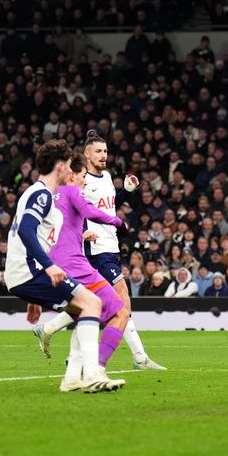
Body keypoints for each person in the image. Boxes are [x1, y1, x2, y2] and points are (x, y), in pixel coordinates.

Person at [4, 139, 124, 393]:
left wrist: (34, 296)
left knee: (84, 309)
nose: (72, 172)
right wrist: (46, 267)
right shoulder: (41, 194)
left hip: (26, 275)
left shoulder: (44, 197)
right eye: (70, 166)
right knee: (92, 303)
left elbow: (36, 238)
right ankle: (92, 374)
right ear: (60, 167)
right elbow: (26, 230)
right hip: (30, 272)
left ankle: (72, 378)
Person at [28, 152, 132, 383]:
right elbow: (90, 212)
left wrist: (80, 236)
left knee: (86, 312)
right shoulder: (72, 190)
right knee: (120, 311)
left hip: (55, 265)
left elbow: (52, 233)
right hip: (76, 266)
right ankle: (96, 369)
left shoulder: (50, 194)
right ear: (72, 174)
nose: (86, 180)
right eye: (84, 175)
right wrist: (118, 222)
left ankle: (71, 370)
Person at [80, 130, 165, 369]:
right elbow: (77, 211)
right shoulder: (81, 180)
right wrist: (83, 235)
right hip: (96, 250)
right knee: (121, 299)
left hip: (110, 245)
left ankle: (49, 329)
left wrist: (125, 192)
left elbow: (108, 208)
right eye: (98, 151)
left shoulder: (106, 177)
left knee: (95, 303)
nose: (103, 155)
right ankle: (140, 358)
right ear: (87, 154)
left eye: (105, 151)